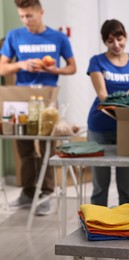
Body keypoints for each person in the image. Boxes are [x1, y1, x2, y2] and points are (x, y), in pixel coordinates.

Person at [0, 0, 76, 215]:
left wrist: (54, 71)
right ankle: (27, 192)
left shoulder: (58, 37)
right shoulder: (15, 36)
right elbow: (2, 68)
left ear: (41, 12)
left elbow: (72, 67)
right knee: (23, 148)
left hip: (48, 100)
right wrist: (21, 65)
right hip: (21, 100)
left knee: (47, 149)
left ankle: (47, 193)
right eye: (22, 16)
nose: (26, 21)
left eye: (29, 16)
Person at [86, 19, 129, 206]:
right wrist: (124, 100)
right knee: (100, 185)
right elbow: (103, 96)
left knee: (126, 185)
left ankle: (127, 225)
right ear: (104, 42)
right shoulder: (97, 61)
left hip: (127, 128)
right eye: (110, 41)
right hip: (100, 126)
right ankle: (96, 225)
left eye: (119, 39)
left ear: (125, 37)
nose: (116, 45)